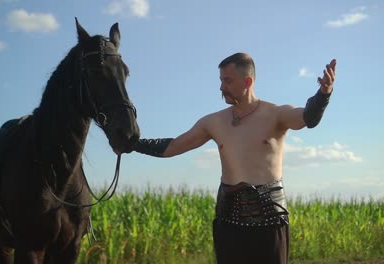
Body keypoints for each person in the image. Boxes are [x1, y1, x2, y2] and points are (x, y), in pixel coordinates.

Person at [131, 53, 336, 264]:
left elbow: (307, 118)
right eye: (221, 80)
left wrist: (324, 94)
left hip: (269, 220)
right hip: (228, 222)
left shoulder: (276, 114)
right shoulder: (214, 122)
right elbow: (173, 147)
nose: (221, 87)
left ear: (248, 81)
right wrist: (131, 144)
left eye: (227, 81)